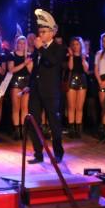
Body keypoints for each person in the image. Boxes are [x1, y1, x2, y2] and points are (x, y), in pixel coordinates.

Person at [27, 9, 66, 164]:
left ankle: (58, 153)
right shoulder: (39, 49)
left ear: (52, 33)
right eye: (40, 32)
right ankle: (38, 153)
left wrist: (40, 49)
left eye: (44, 32)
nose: (41, 35)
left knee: (53, 123)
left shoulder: (58, 48)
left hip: (51, 91)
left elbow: (52, 62)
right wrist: (29, 85)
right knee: (33, 121)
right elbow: (36, 69)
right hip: (36, 90)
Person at [7, 35, 33, 140]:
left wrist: (28, 63)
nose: (21, 45)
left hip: (26, 82)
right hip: (16, 82)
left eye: (23, 43)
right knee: (16, 107)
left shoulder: (29, 55)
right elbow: (11, 70)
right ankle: (17, 131)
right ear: (16, 44)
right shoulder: (12, 55)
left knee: (25, 107)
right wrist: (24, 63)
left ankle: (24, 131)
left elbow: (31, 71)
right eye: (19, 43)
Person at [66, 36, 90, 139]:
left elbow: (86, 69)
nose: (76, 46)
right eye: (74, 44)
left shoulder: (84, 56)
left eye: (78, 44)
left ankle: (78, 129)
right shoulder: (69, 56)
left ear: (81, 45)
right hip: (72, 80)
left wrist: (83, 58)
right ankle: (72, 129)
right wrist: (71, 56)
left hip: (82, 80)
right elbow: (70, 67)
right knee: (71, 107)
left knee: (79, 107)